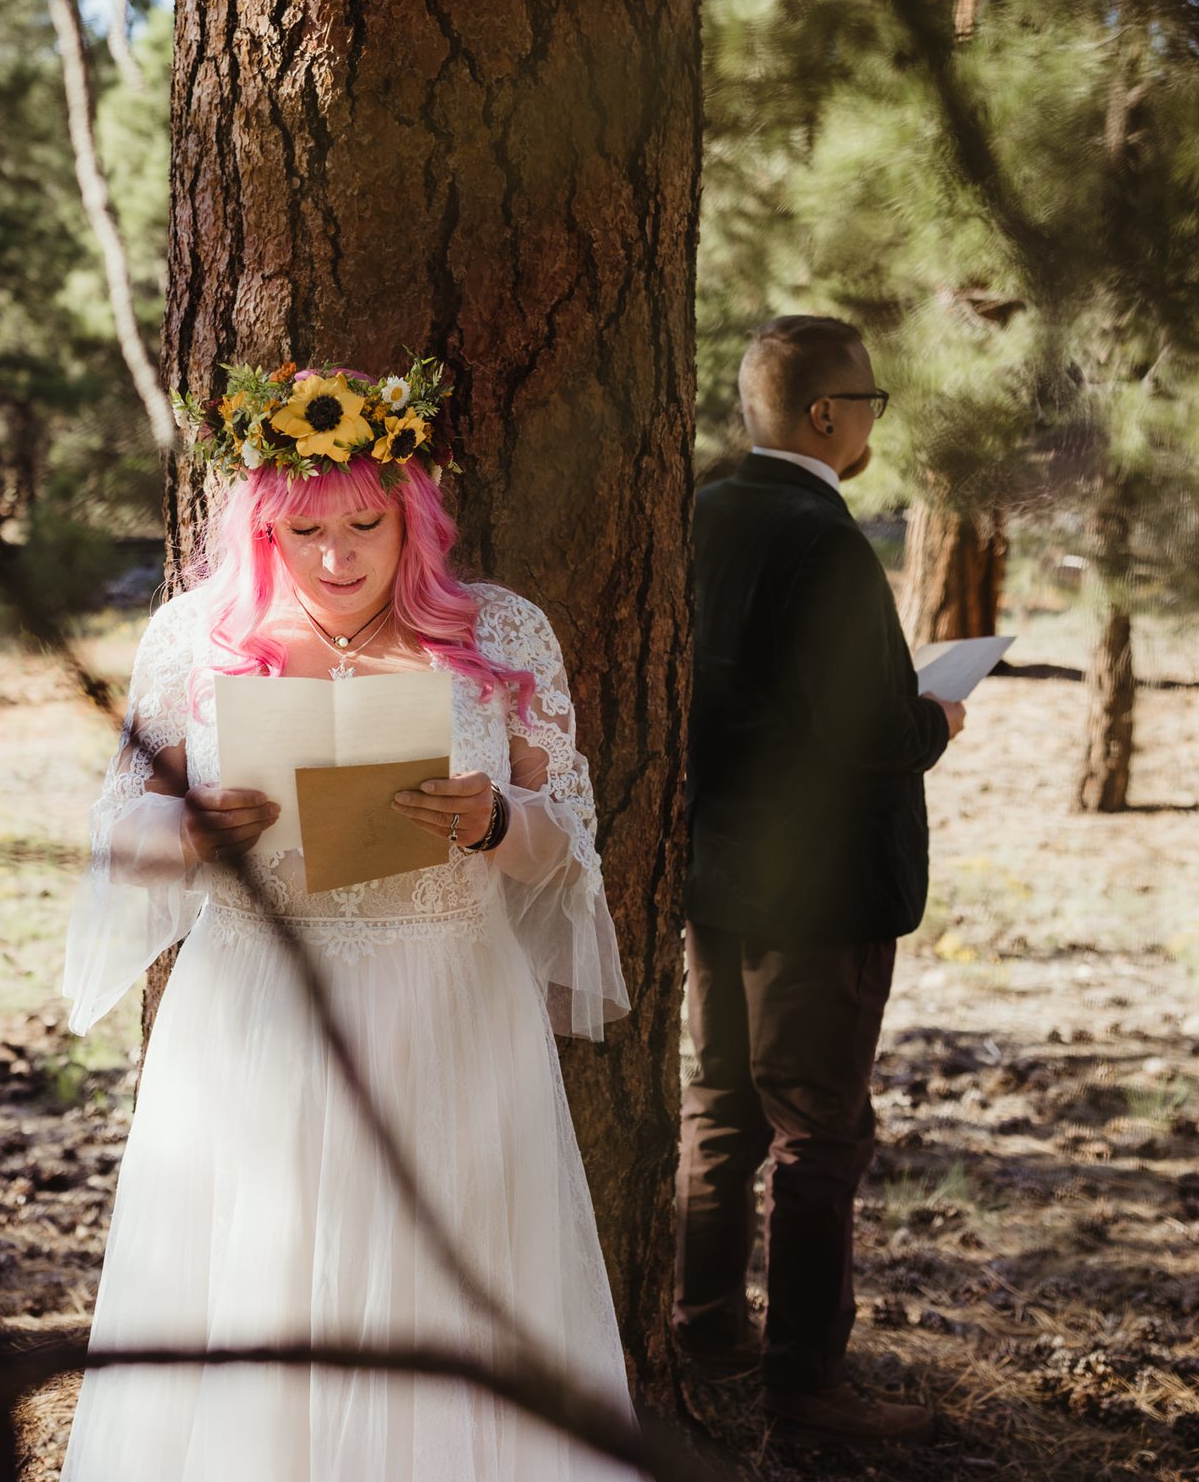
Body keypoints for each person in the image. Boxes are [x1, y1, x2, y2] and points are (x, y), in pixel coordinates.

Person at [57, 359, 635, 1481]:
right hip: (257, 1013)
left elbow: (568, 840)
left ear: (411, 515)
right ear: (260, 529)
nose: (337, 557)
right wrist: (189, 831)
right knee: (257, 1283)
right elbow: (115, 837)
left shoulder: (502, 634)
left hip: (450, 1009)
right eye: (306, 531)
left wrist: (490, 819)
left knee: (454, 1283)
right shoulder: (192, 639)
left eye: (365, 523)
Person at [673, 316, 967, 1443]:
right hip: (818, 887)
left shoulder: (702, 509)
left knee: (720, 1114)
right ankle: (805, 1386)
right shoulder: (823, 535)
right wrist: (932, 712)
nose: (872, 423)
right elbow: (864, 727)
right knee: (817, 1135)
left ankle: (702, 1328)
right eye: (870, 404)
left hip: (717, 867)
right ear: (826, 416)